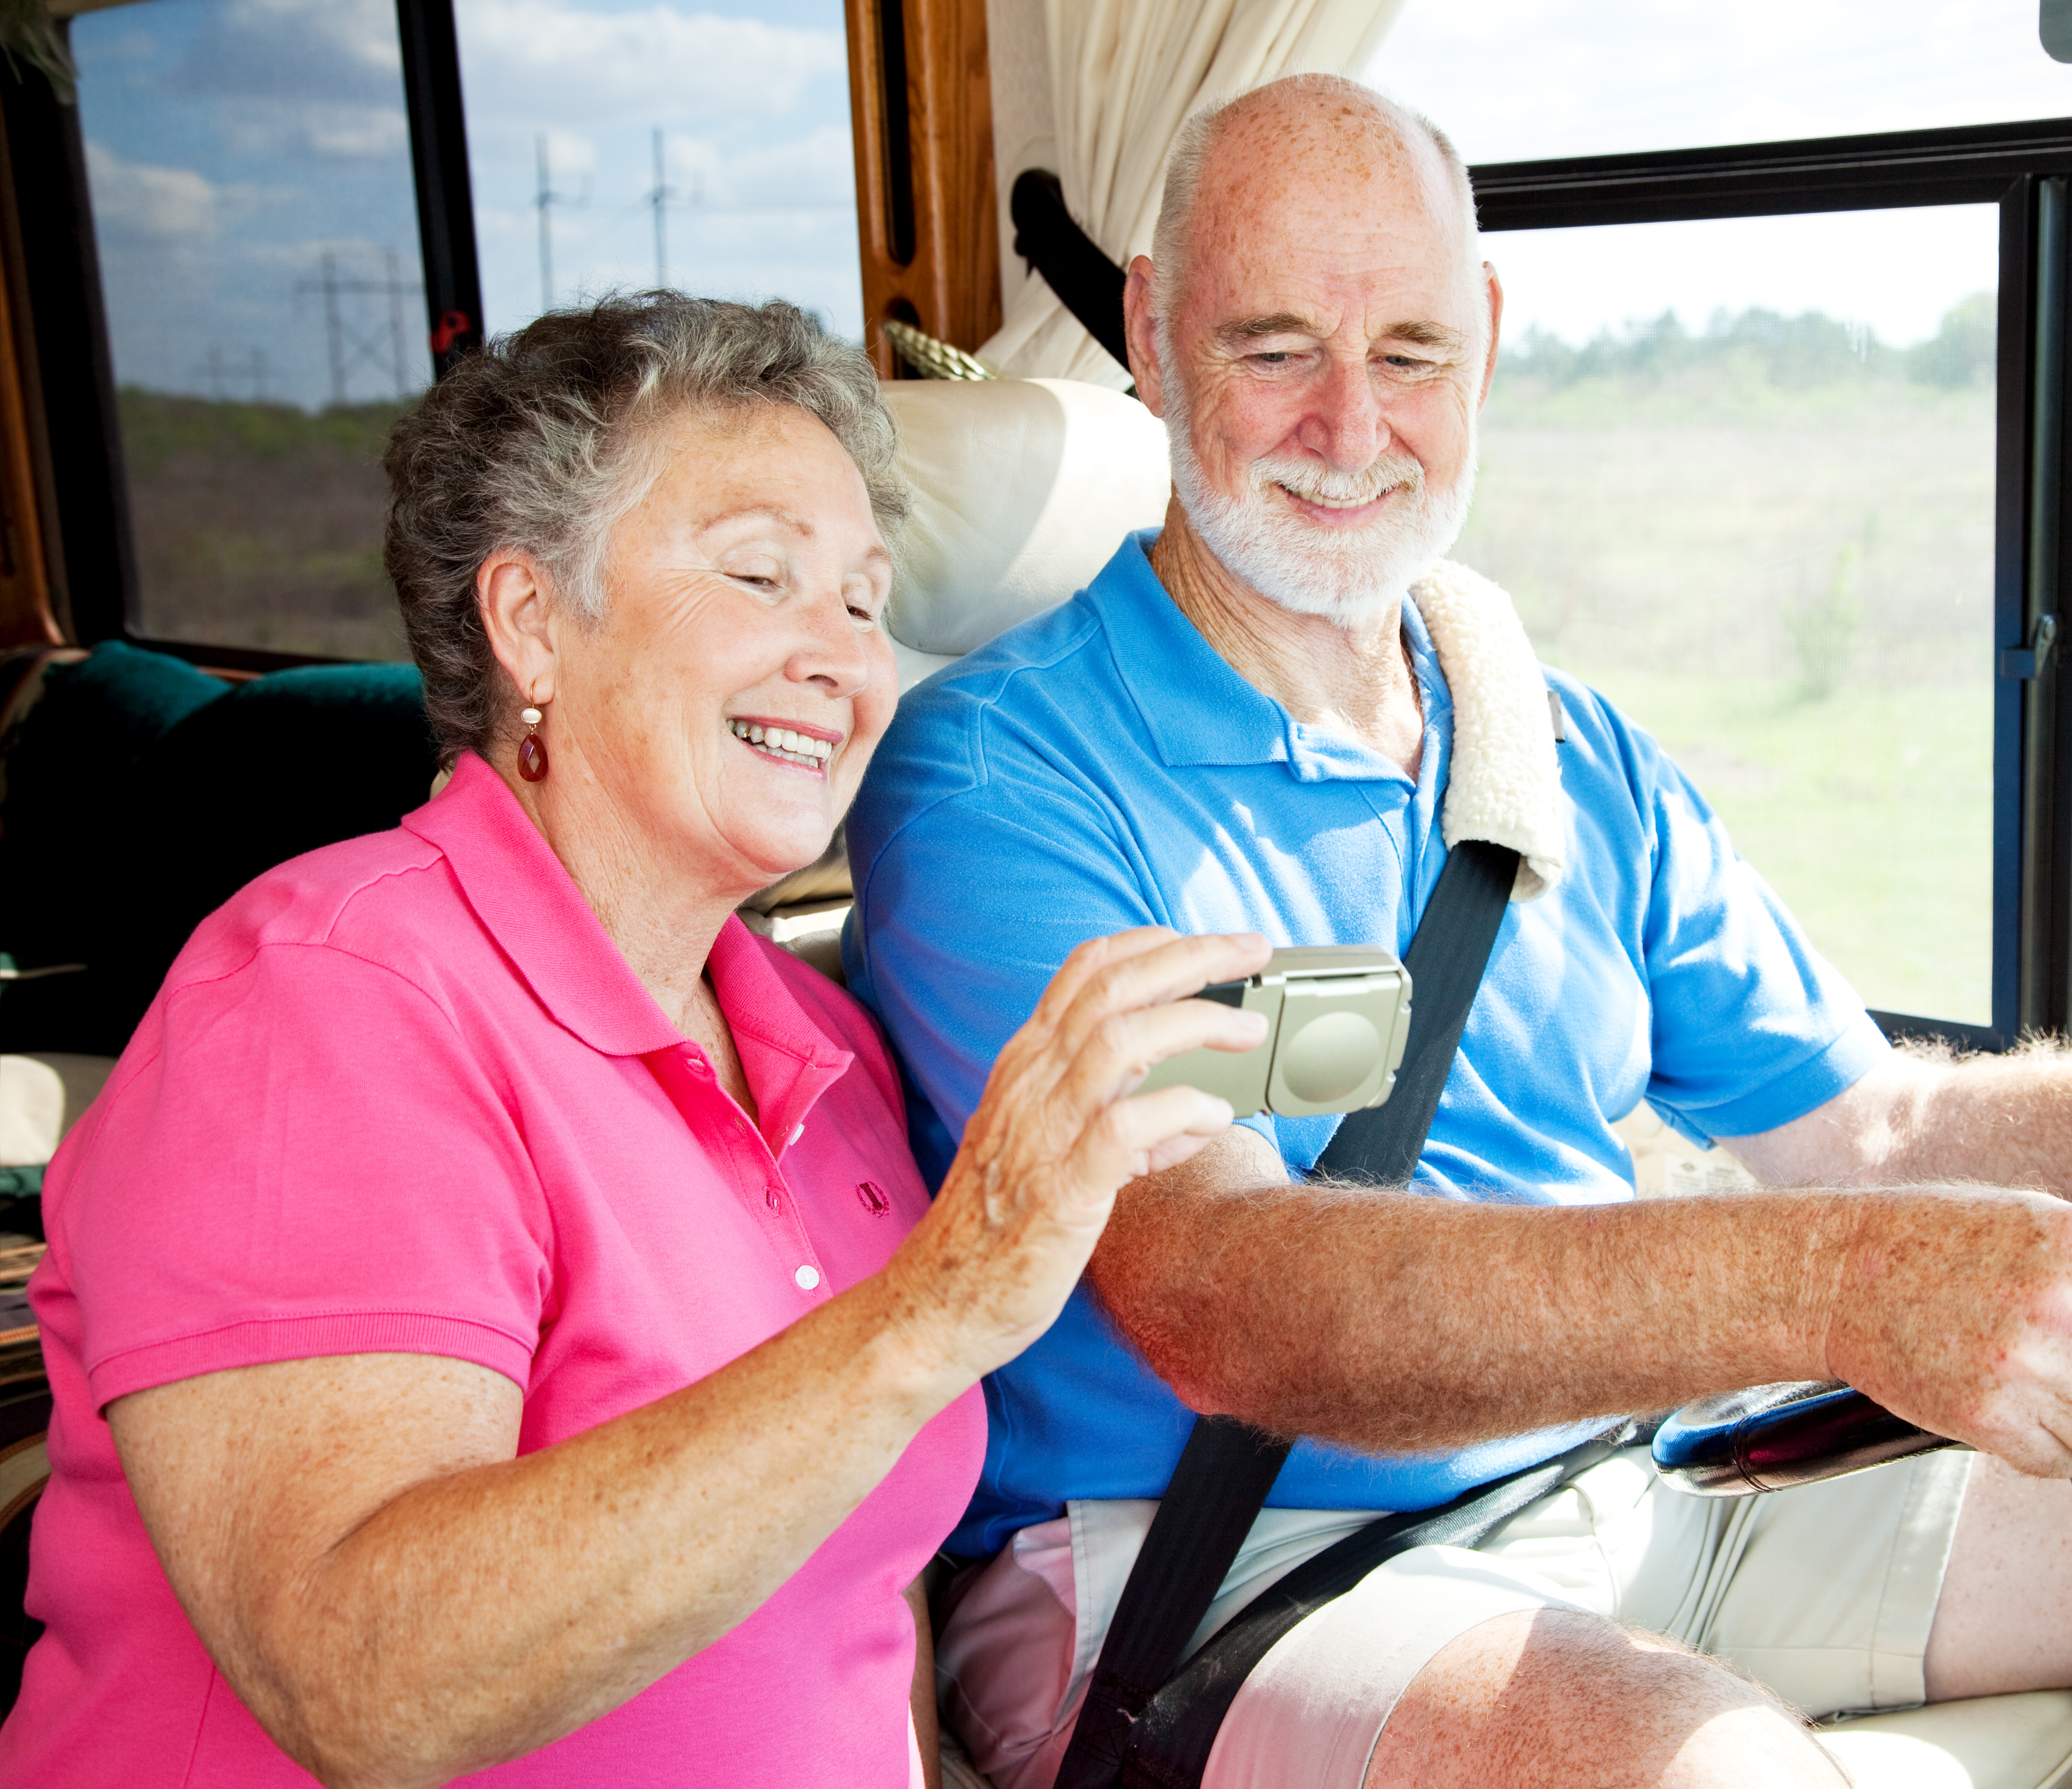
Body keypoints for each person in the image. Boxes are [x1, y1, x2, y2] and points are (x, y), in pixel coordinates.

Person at [846, 76, 2072, 1789]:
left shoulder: (1551, 749)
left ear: (1485, 339)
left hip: (1620, 1486)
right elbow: (1239, 1305)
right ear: (1154, 336)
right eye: (1273, 349)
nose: (1352, 426)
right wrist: (1849, 1288)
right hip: (1210, 1569)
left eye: (1409, 352)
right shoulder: (1003, 783)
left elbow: (1879, 1133)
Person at [0, 294, 1272, 1789]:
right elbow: (364, 1682)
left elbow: (863, 1608)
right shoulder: (322, 1004)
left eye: (866, 604)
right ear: (533, 621)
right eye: (760, 577)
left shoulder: (821, 1041)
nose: (844, 663)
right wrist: (943, 1303)